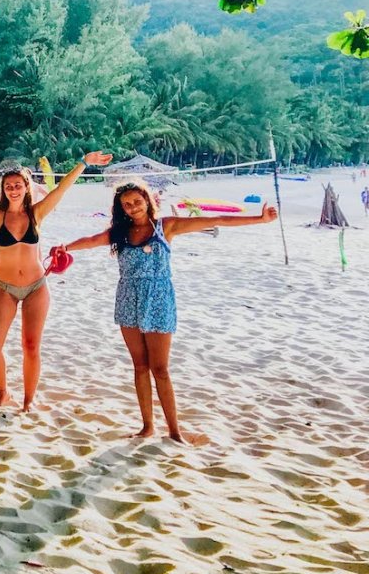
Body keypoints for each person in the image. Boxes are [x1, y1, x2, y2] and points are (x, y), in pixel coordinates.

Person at [54, 180, 278, 444]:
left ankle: (174, 431)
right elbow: (92, 240)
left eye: (137, 201)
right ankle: (147, 426)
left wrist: (260, 219)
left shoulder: (166, 226)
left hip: (159, 300)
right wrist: (65, 248)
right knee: (139, 366)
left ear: (148, 201)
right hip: (128, 300)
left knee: (160, 369)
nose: (133, 207)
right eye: (127, 204)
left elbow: (215, 220)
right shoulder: (119, 233)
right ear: (121, 208)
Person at [0, 151, 112, 412]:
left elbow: (61, 190)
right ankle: (4, 392)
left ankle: (29, 399)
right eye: (9, 186)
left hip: (36, 287)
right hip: (4, 287)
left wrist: (84, 163)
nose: (14, 190)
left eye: (18, 185)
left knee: (30, 345)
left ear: (26, 186)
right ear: (3, 189)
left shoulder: (36, 214)